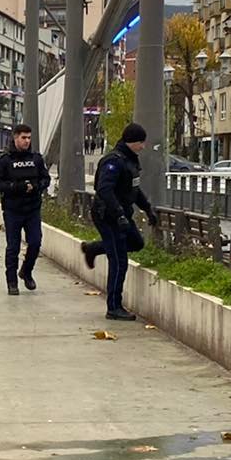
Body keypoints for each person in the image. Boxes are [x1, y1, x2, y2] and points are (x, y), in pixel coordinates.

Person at [81, 123, 157, 322]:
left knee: (136, 243)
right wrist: (118, 214)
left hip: (122, 215)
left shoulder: (131, 162)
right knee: (119, 261)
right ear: (132, 142)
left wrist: (147, 208)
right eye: (141, 142)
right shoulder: (113, 162)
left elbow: (134, 190)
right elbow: (104, 190)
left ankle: (93, 249)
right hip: (107, 215)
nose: (143, 146)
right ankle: (113, 307)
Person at [0, 122, 51, 296]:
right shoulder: (5, 161)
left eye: (29, 138)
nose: (27, 141)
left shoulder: (36, 159)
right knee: (13, 247)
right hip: (12, 210)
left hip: (32, 209)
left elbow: (45, 179)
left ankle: (26, 271)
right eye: (23, 138)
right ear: (15, 138)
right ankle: (12, 281)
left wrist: (36, 186)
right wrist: (16, 187)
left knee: (35, 242)